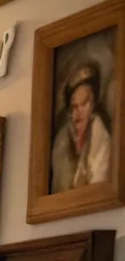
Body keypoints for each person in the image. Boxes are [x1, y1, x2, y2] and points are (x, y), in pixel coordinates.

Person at [50, 62, 113, 192]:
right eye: (74, 106)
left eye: (83, 104)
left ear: (93, 105)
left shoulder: (102, 139)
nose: (77, 114)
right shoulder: (61, 142)